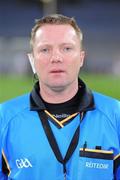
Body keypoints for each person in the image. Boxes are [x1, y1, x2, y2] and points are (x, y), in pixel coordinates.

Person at [0, 14, 120, 180]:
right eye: (45, 49)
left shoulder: (115, 115)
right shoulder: (4, 118)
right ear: (32, 60)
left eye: (67, 48)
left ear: (81, 58)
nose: (56, 58)